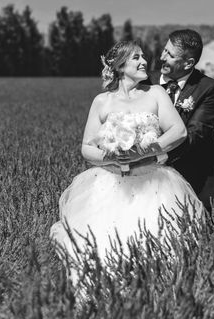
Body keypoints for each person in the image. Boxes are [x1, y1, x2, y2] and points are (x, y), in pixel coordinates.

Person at [49, 40, 205, 281]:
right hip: (111, 184)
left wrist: (144, 151)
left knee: (158, 250)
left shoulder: (155, 93)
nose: (145, 62)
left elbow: (178, 132)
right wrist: (111, 156)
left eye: (143, 57)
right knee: (103, 248)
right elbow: (86, 147)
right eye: (136, 58)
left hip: (153, 184)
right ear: (120, 66)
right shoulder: (102, 101)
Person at [148, 29, 214, 214]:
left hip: (195, 179)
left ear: (188, 63)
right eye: (164, 50)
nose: (162, 57)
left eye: (170, 55)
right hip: (147, 178)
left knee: (202, 239)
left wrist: (153, 154)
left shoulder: (209, 88)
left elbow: (197, 133)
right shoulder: (146, 81)